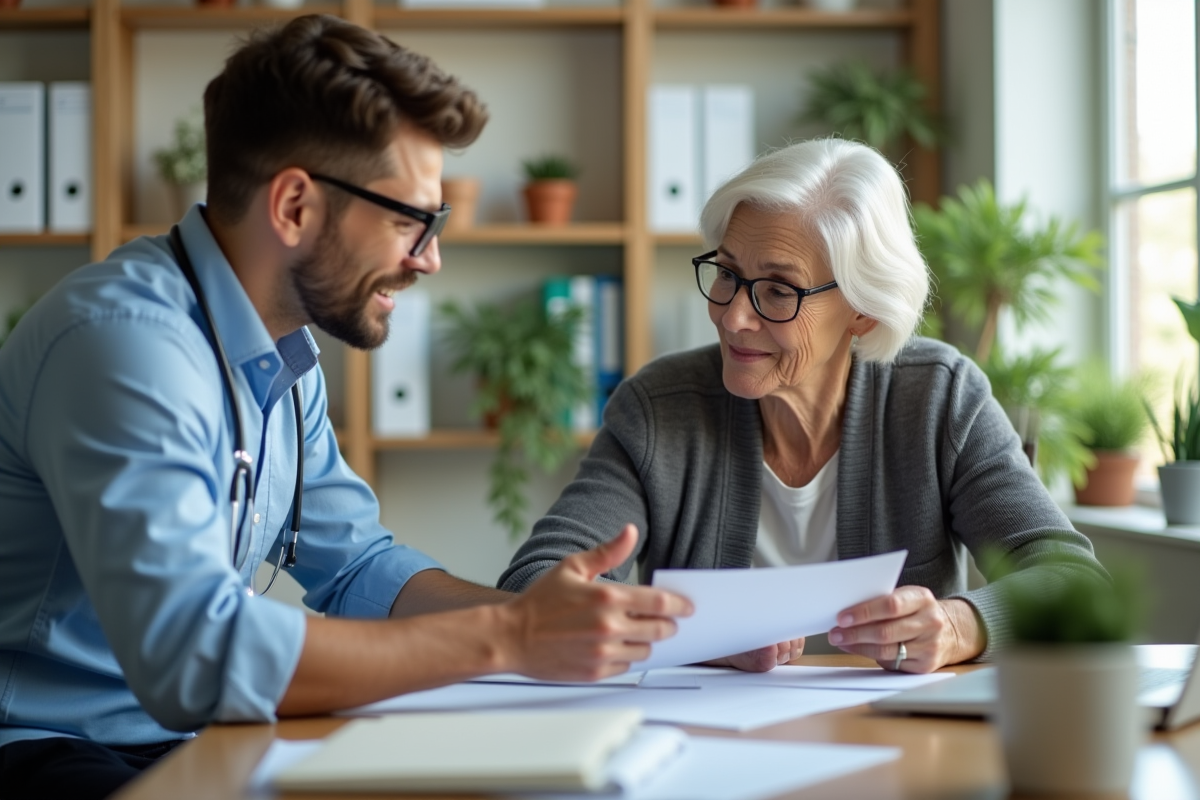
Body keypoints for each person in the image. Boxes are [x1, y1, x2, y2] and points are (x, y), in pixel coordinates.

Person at [0, 15, 691, 800]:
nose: (429, 257)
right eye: (410, 220)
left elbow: (357, 565)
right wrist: (509, 638)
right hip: (49, 746)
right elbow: (194, 657)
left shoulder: (281, 349)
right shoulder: (125, 346)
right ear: (294, 205)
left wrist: (579, 629)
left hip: (187, 736)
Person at [500, 138, 1107, 674]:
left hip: (897, 746)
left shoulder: (939, 398)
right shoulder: (659, 408)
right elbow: (536, 584)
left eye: (778, 291)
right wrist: (705, 637)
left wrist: (957, 626)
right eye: (728, 274)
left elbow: (1073, 582)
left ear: (864, 308)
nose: (734, 316)